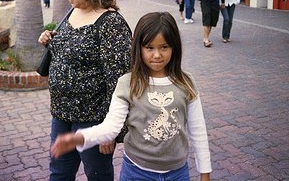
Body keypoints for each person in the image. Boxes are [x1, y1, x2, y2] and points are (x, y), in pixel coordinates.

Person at [51, 11, 212, 181]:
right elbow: (111, 127)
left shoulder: (186, 83)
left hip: (178, 173)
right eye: (149, 47)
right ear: (139, 48)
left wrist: (205, 172)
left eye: (164, 47)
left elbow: (198, 131)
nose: (157, 55)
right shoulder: (128, 83)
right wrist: (79, 138)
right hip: (136, 172)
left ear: (174, 47)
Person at [37, 0, 132, 181]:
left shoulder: (111, 23)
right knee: (59, 174)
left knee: (97, 175)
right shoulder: (73, 11)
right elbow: (72, 49)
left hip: (93, 119)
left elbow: (119, 81)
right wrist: (51, 39)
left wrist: (111, 131)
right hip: (61, 114)